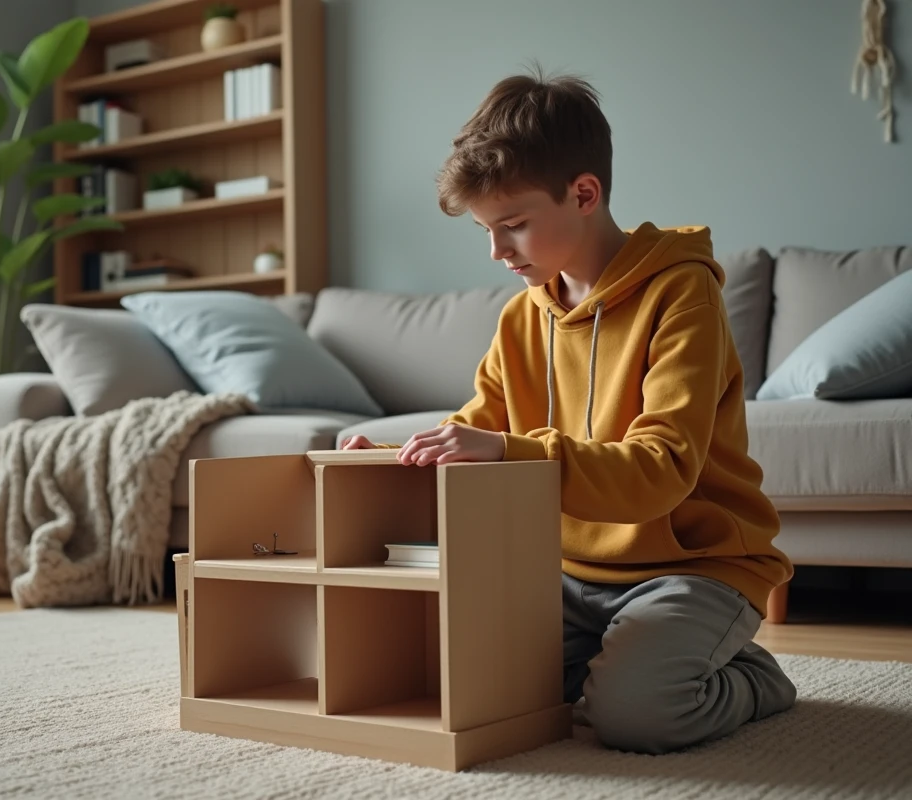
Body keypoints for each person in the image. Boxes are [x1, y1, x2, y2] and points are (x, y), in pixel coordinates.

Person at [341, 69, 797, 755]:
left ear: (584, 193)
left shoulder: (682, 297)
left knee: (634, 718)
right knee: (477, 688)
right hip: (563, 574)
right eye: (485, 231)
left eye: (513, 226)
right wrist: (389, 459)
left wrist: (510, 450)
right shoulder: (522, 318)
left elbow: (660, 472)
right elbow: (476, 430)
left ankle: (756, 679)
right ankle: (639, 661)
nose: (496, 251)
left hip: (694, 567)